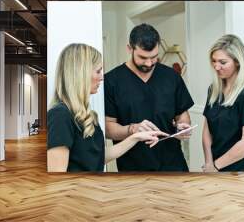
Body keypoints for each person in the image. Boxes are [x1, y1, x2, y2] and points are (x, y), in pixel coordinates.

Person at [47, 43, 167, 172]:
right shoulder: (60, 115)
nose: (102, 77)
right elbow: (57, 176)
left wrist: (136, 137)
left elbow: (98, 157)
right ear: (81, 74)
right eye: (98, 71)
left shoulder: (87, 115)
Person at [104, 23, 194, 171]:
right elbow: (108, 128)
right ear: (129, 49)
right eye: (143, 57)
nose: (149, 63)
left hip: (173, 164)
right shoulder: (111, 81)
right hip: (132, 168)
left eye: (154, 57)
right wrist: (132, 129)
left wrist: (182, 127)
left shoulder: (171, 77)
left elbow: (182, 115)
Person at [202, 34, 244, 172]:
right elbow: (207, 131)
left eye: (223, 62)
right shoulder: (213, 90)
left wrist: (216, 166)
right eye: (214, 61)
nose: (216, 67)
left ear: (237, 62)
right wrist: (209, 164)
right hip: (216, 168)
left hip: (242, 171)